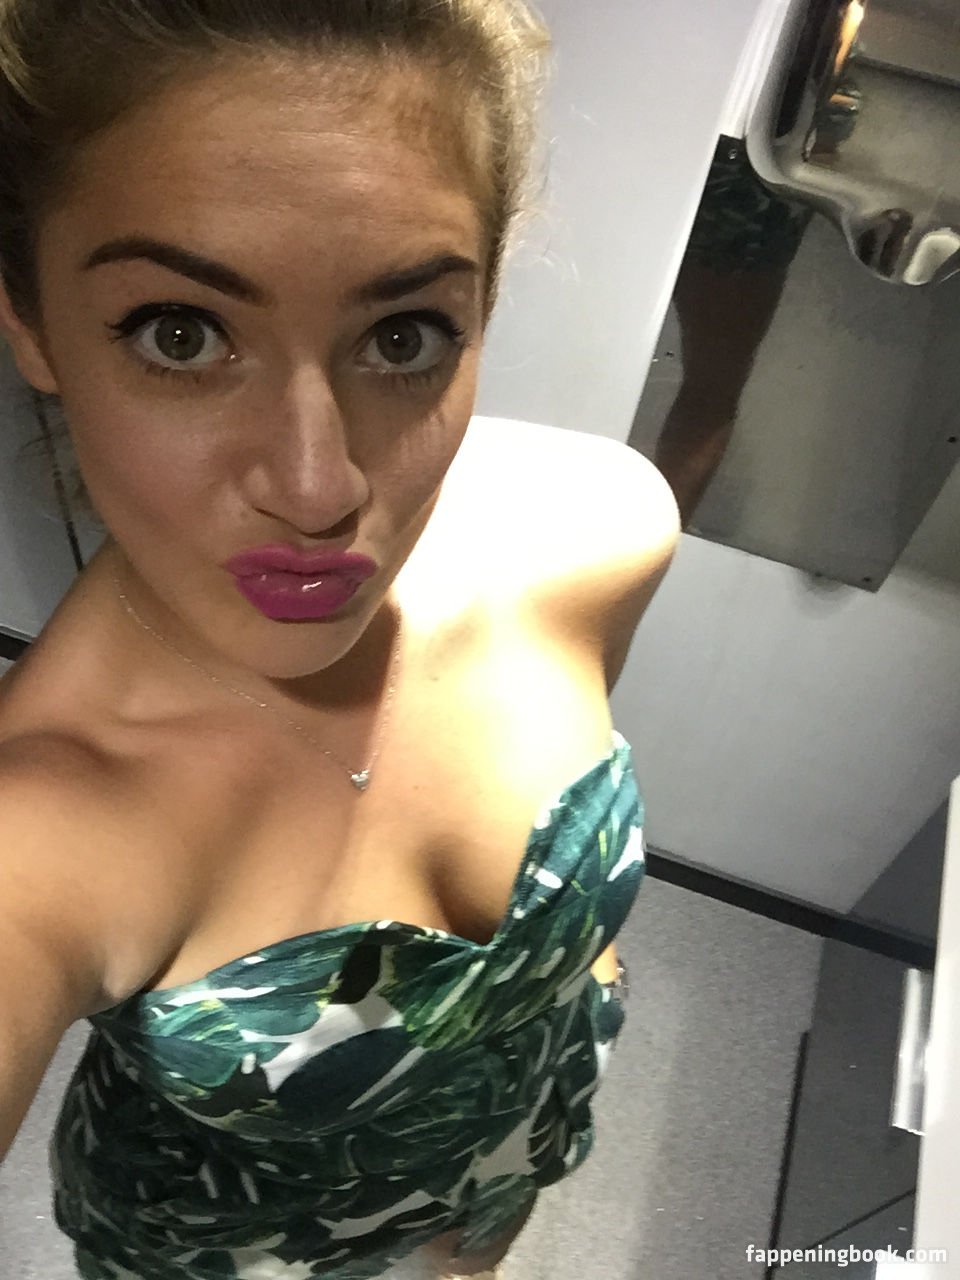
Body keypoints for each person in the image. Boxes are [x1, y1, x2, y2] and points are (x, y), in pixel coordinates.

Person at [0, 2, 681, 1277]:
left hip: (509, 1152)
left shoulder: (604, 532)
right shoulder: (43, 820)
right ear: (31, 321)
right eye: (180, 332)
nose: (319, 489)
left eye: (402, 336)